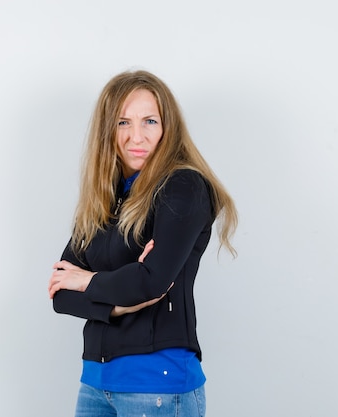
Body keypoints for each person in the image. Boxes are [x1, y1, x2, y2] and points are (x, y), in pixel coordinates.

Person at [47, 70, 238, 417]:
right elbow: (60, 293)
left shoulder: (183, 187)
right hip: (95, 383)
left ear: (168, 126)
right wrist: (120, 304)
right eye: (123, 122)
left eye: (149, 121)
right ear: (108, 130)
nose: (137, 136)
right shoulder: (104, 198)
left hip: (157, 384)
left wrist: (88, 281)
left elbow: (151, 281)